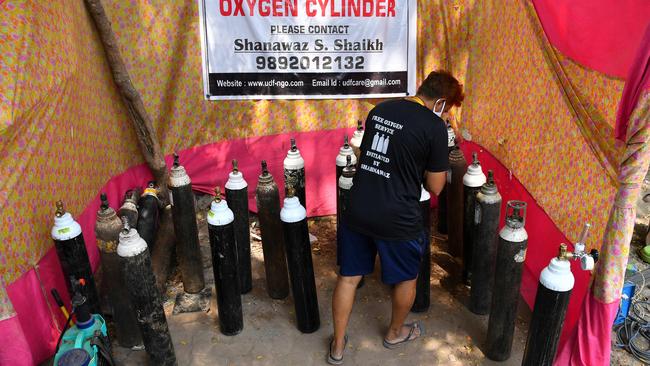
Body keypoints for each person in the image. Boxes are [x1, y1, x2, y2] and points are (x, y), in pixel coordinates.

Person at [328, 70, 465, 364]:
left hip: (360, 205)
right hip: (398, 215)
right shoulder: (434, 126)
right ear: (441, 102)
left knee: (348, 278)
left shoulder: (381, 110)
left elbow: (370, 158)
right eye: (448, 109)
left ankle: (337, 345)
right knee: (406, 278)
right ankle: (394, 333)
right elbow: (435, 186)